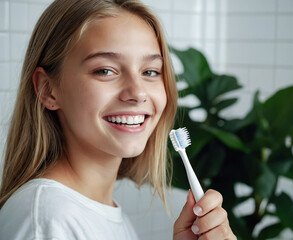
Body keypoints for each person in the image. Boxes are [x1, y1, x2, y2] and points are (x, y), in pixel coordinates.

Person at [0, 0, 236, 239]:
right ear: (48, 89)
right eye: (105, 70)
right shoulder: (48, 220)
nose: (138, 93)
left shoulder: (93, 211)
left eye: (150, 72)